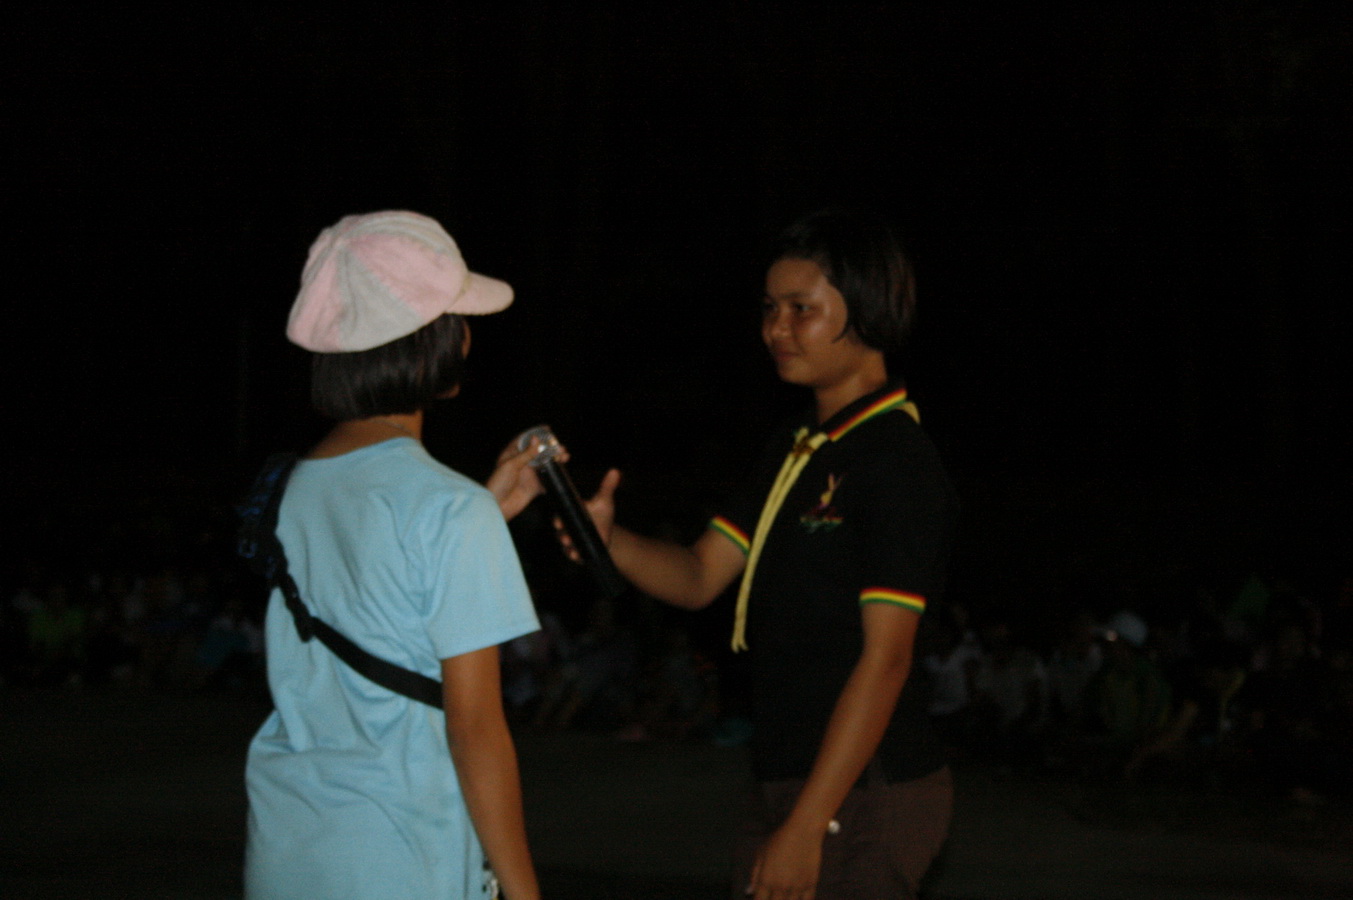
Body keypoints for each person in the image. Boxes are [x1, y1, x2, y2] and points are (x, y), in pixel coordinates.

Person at [566, 209, 959, 899]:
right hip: (789, 778)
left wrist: (807, 826)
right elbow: (699, 575)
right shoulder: (795, 445)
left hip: (865, 792)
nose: (776, 328)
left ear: (866, 308)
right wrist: (611, 540)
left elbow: (887, 658)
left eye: (802, 309)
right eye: (770, 308)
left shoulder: (894, 460)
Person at [244, 211, 547, 900]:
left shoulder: (289, 487)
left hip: (288, 850)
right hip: (402, 857)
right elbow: (476, 731)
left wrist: (486, 508)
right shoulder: (449, 509)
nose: (467, 334)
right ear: (426, 343)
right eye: (457, 317)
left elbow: (374, 593)